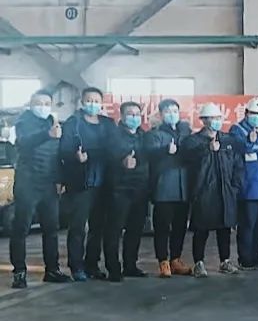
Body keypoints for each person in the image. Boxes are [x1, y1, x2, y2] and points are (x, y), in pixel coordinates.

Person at [9, 90, 71, 289]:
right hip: (28, 182)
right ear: (31, 104)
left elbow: (57, 154)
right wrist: (46, 135)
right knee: (21, 228)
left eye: (46, 103)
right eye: (39, 103)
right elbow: (23, 142)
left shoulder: (53, 123)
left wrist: (60, 179)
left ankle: (52, 270)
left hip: (49, 183)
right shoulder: (23, 122)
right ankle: (19, 272)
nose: (43, 107)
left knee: (51, 228)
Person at [60, 87, 116, 281]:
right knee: (77, 226)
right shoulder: (74, 123)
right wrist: (75, 156)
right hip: (81, 182)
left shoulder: (108, 124)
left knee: (97, 227)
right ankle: (76, 266)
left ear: (101, 103)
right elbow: (64, 149)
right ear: (82, 102)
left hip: (104, 182)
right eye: (89, 100)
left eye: (96, 101)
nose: (93, 104)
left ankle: (92, 264)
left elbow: (115, 148)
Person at [181, 103, 243, 277]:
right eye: (212, 118)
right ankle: (199, 263)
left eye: (218, 118)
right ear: (204, 120)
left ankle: (225, 261)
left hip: (225, 191)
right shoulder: (193, 141)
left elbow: (238, 164)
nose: (216, 121)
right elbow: (187, 159)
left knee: (225, 228)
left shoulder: (228, 140)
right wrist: (206, 149)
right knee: (201, 229)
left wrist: (235, 186)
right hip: (204, 192)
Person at [145, 98, 193, 278]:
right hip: (164, 187)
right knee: (162, 226)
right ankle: (163, 261)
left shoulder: (185, 132)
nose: (172, 114)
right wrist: (164, 150)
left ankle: (176, 259)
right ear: (160, 114)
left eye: (174, 111)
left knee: (180, 226)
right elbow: (148, 154)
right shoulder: (155, 134)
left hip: (183, 187)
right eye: (167, 111)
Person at [102, 101, 150, 282]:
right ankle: (113, 268)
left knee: (135, 229)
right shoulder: (113, 136)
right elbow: (108, 156)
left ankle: (130, 265)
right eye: (130, 114)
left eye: (137, 114)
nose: (134, 117)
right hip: (119, 189)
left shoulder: (143, 136)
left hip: (140, 188)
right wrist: (121, 161)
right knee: (114, 230)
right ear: (121, 116)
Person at [229, 97, 258, 270]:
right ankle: (245, 258)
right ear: (247, 113)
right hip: (248, 189)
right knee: (247, 224)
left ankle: (256, 256)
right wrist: (249, 141)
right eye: (254, 113)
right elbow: (237, 151)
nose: (257, 117)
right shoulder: (238, 130)